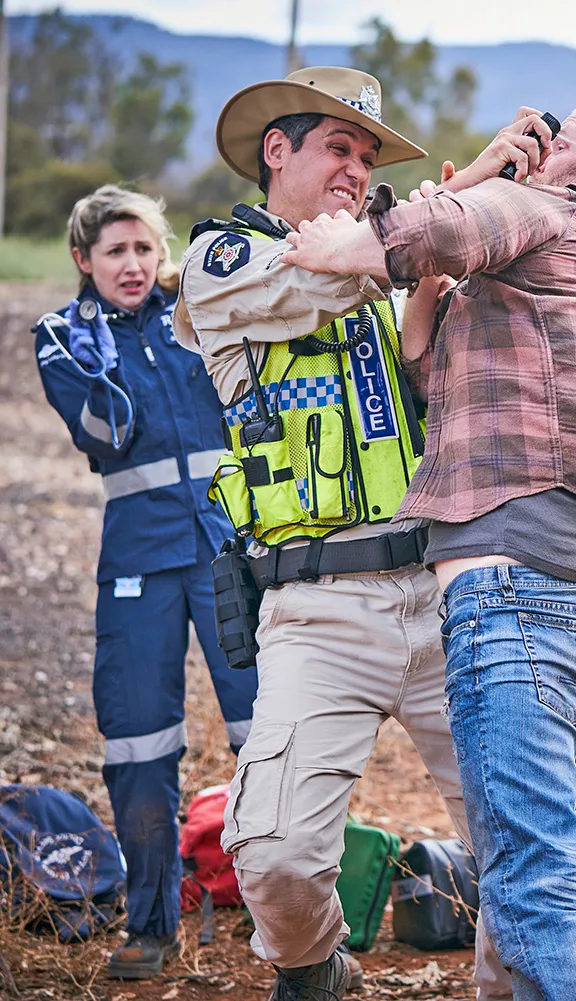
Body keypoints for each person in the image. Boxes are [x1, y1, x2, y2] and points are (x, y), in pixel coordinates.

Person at [280, 98, 576, 1001]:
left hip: (509, 592)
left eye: (566, 138)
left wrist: (349, 234)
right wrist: (455, 235)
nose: (545, 150)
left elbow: (397, 239)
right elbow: (430, 366)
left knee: (532, 888)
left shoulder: (554, 211)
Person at [171, 66, 513, 1001]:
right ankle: (316, 965)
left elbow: (419, 376)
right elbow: (320, 281)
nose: (357, 168)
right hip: (318, 606)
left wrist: (441, 271)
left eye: (367, 156)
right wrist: (467, 186)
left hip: (446, 587)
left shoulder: (383, 267)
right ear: (275, 151)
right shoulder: (223, 261)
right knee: (276, 856)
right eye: (338, 147)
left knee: (523, 847)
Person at [33, 185, 257, 980]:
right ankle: (150, 923)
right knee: (138, 743)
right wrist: (104, 360)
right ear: (82, 260)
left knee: (269, 731)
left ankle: (292, 915)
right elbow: (107, 436)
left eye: (143, 248)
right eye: (114, 252)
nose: (132, 265)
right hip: (137, 561)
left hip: (232, 546)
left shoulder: (198, 311)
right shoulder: (61, 338)